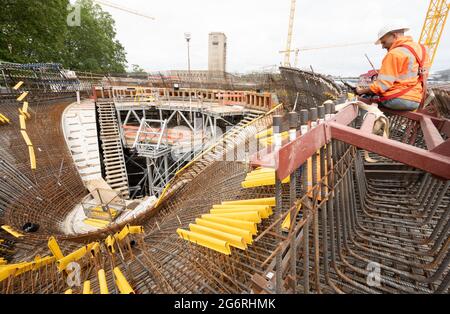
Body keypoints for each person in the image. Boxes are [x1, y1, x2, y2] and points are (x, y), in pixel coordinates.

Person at [356, 20, 430, 111]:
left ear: (394, 36)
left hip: (396, 99)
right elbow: (423, 76)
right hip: (416, 101)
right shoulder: (422, 50)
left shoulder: (394, 54)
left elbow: (381, 85)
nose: (383, 46)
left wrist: (361, 91)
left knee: (366, 100)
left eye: (384, 42)